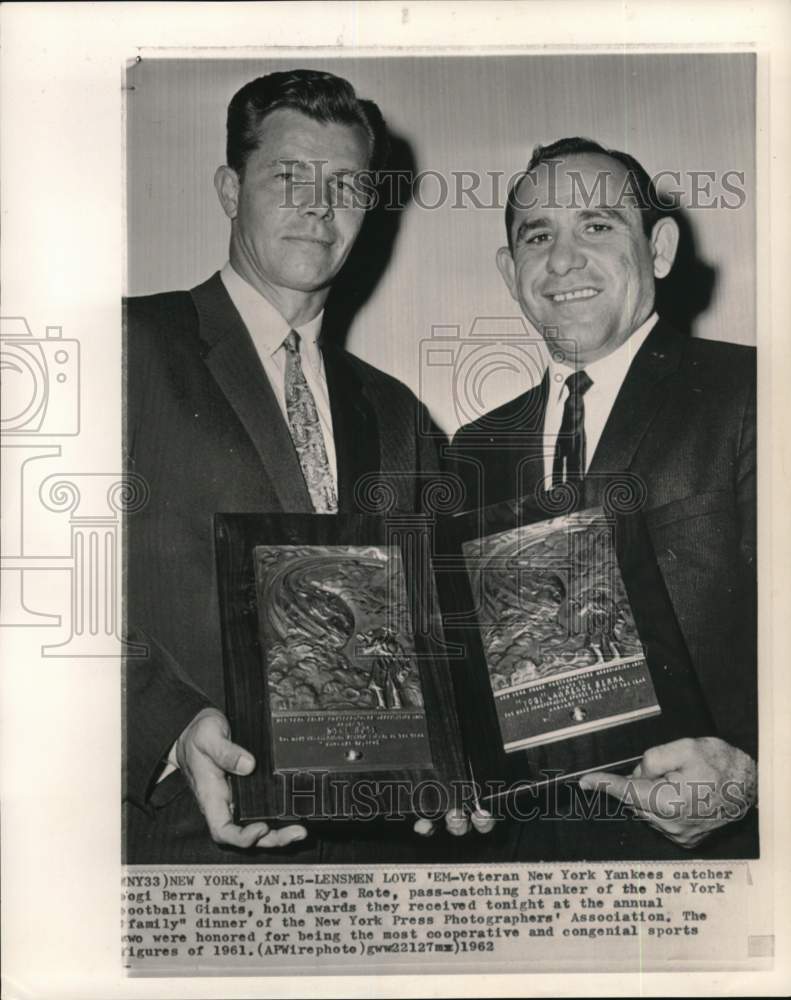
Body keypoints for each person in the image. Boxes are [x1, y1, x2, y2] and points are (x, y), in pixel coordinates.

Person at [124, 69, 490, 863]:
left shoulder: (395, 412)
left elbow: (442, 620)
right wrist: (170, 728)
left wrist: (467, 756)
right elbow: (35, 593)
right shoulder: (126, 346)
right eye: (289, 176)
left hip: (372, 857)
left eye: (346, 185)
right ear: (230, 189)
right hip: (176, 848)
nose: (320, 206)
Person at [448, 137, 757, 859]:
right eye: (537, 236)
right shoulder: (472, 448)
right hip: (519, 872)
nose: (563, 260)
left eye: (595, 225)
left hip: (710, 866)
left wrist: (756, 774)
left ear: (659, 249)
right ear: (510, 272)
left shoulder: (753, 393)